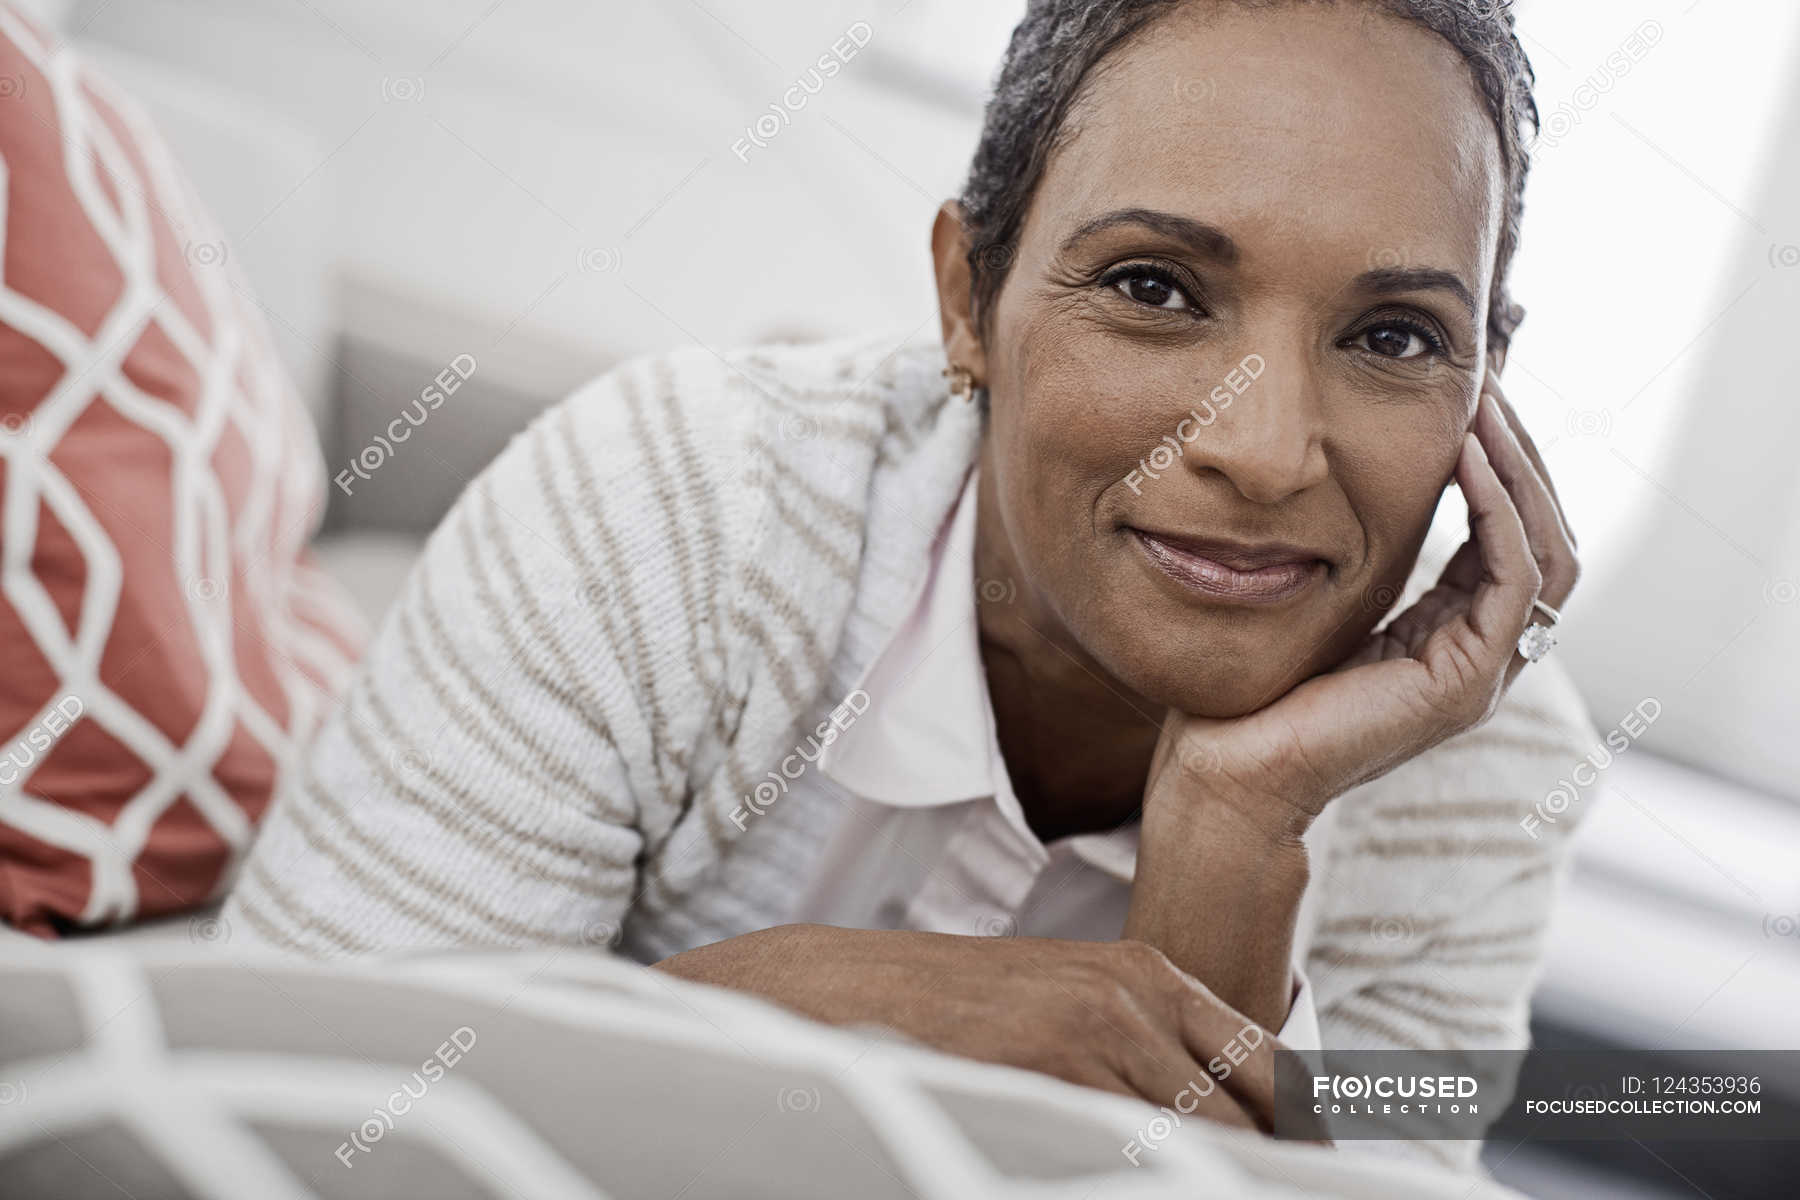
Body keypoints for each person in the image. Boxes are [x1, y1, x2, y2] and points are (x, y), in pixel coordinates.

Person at [224, 0, 1590, 1167]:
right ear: (966, 300)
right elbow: (270, 1120)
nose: (1264, 448)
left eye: (1398, 334)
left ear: (1487, 392)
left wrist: (1234, 835)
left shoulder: (1482, 769)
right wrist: (778, 1007)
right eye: (1158, 290)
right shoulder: (676, 502)